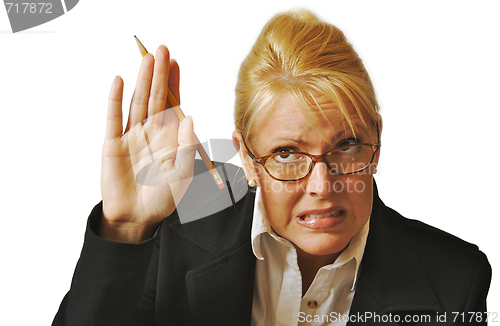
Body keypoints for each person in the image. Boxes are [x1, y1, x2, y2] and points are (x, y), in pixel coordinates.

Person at [53, 9, 491, 326]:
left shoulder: (456, 278)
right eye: (286, 153)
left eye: (347, 146)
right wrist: (126, 228)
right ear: (246, 157)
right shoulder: (173, 230)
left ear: (377, 142)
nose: (322, 185)